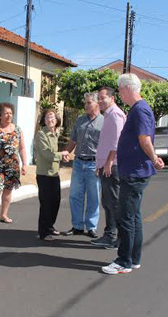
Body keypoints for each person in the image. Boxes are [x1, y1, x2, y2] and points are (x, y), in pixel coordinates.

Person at [102, 73, 164, 275]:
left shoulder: (140, 110)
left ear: (128, 88)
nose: (119, 94)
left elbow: (144, 139)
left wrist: (154, 159)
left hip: (135, 173)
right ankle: (134, 258)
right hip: (133, 171)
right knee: (133, 217)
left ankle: (124, 261)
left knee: (126, 217)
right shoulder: (138, 109)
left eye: (120, 90)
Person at [63, 92, 104, 238]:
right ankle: (77, 226)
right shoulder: (80, 120)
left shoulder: (104, 122)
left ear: (97, 104)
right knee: (75, 195)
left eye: (88, 103)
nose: (85, 105)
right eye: (85, 103)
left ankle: (91, 227)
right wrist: (66, 151)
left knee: (93, 197)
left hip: (94, 164)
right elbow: (73, 140)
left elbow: (107, 145)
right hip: (79, 163)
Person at [90, 86, 126, 249]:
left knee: (114, 203)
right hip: (106, 165)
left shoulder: (115, 115)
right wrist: (101, 164)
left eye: (102, 97)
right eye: (98, 98)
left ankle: (119, 238)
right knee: (108, 202)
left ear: (112, 98)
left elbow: (117, 142)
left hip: (113, 166)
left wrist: (109, 162)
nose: (99, 101)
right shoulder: (109, 115)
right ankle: (109, 234)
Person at [0, 102, 27, 227]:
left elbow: (22, 148)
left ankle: (4, 215)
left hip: (12, 166)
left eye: (10, 113)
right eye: (6, 113)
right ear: (0, 115)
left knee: (8, 191)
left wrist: (24, 164)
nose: (8, 115)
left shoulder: (18, 130)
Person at [34, 109, 68, 241]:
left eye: (52, 117)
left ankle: (50, 226)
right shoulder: (41, 134)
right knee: (46, 203)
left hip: (54, 173)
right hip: (44, 174)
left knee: (56, 202)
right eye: (48, 117)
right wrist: (62, 155)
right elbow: (47, 154)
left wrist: (61, 157)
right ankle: (43, 232)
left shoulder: (55, 133)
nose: (50, 120)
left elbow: (54, 155)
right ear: (44, 120)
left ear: (57, 120)